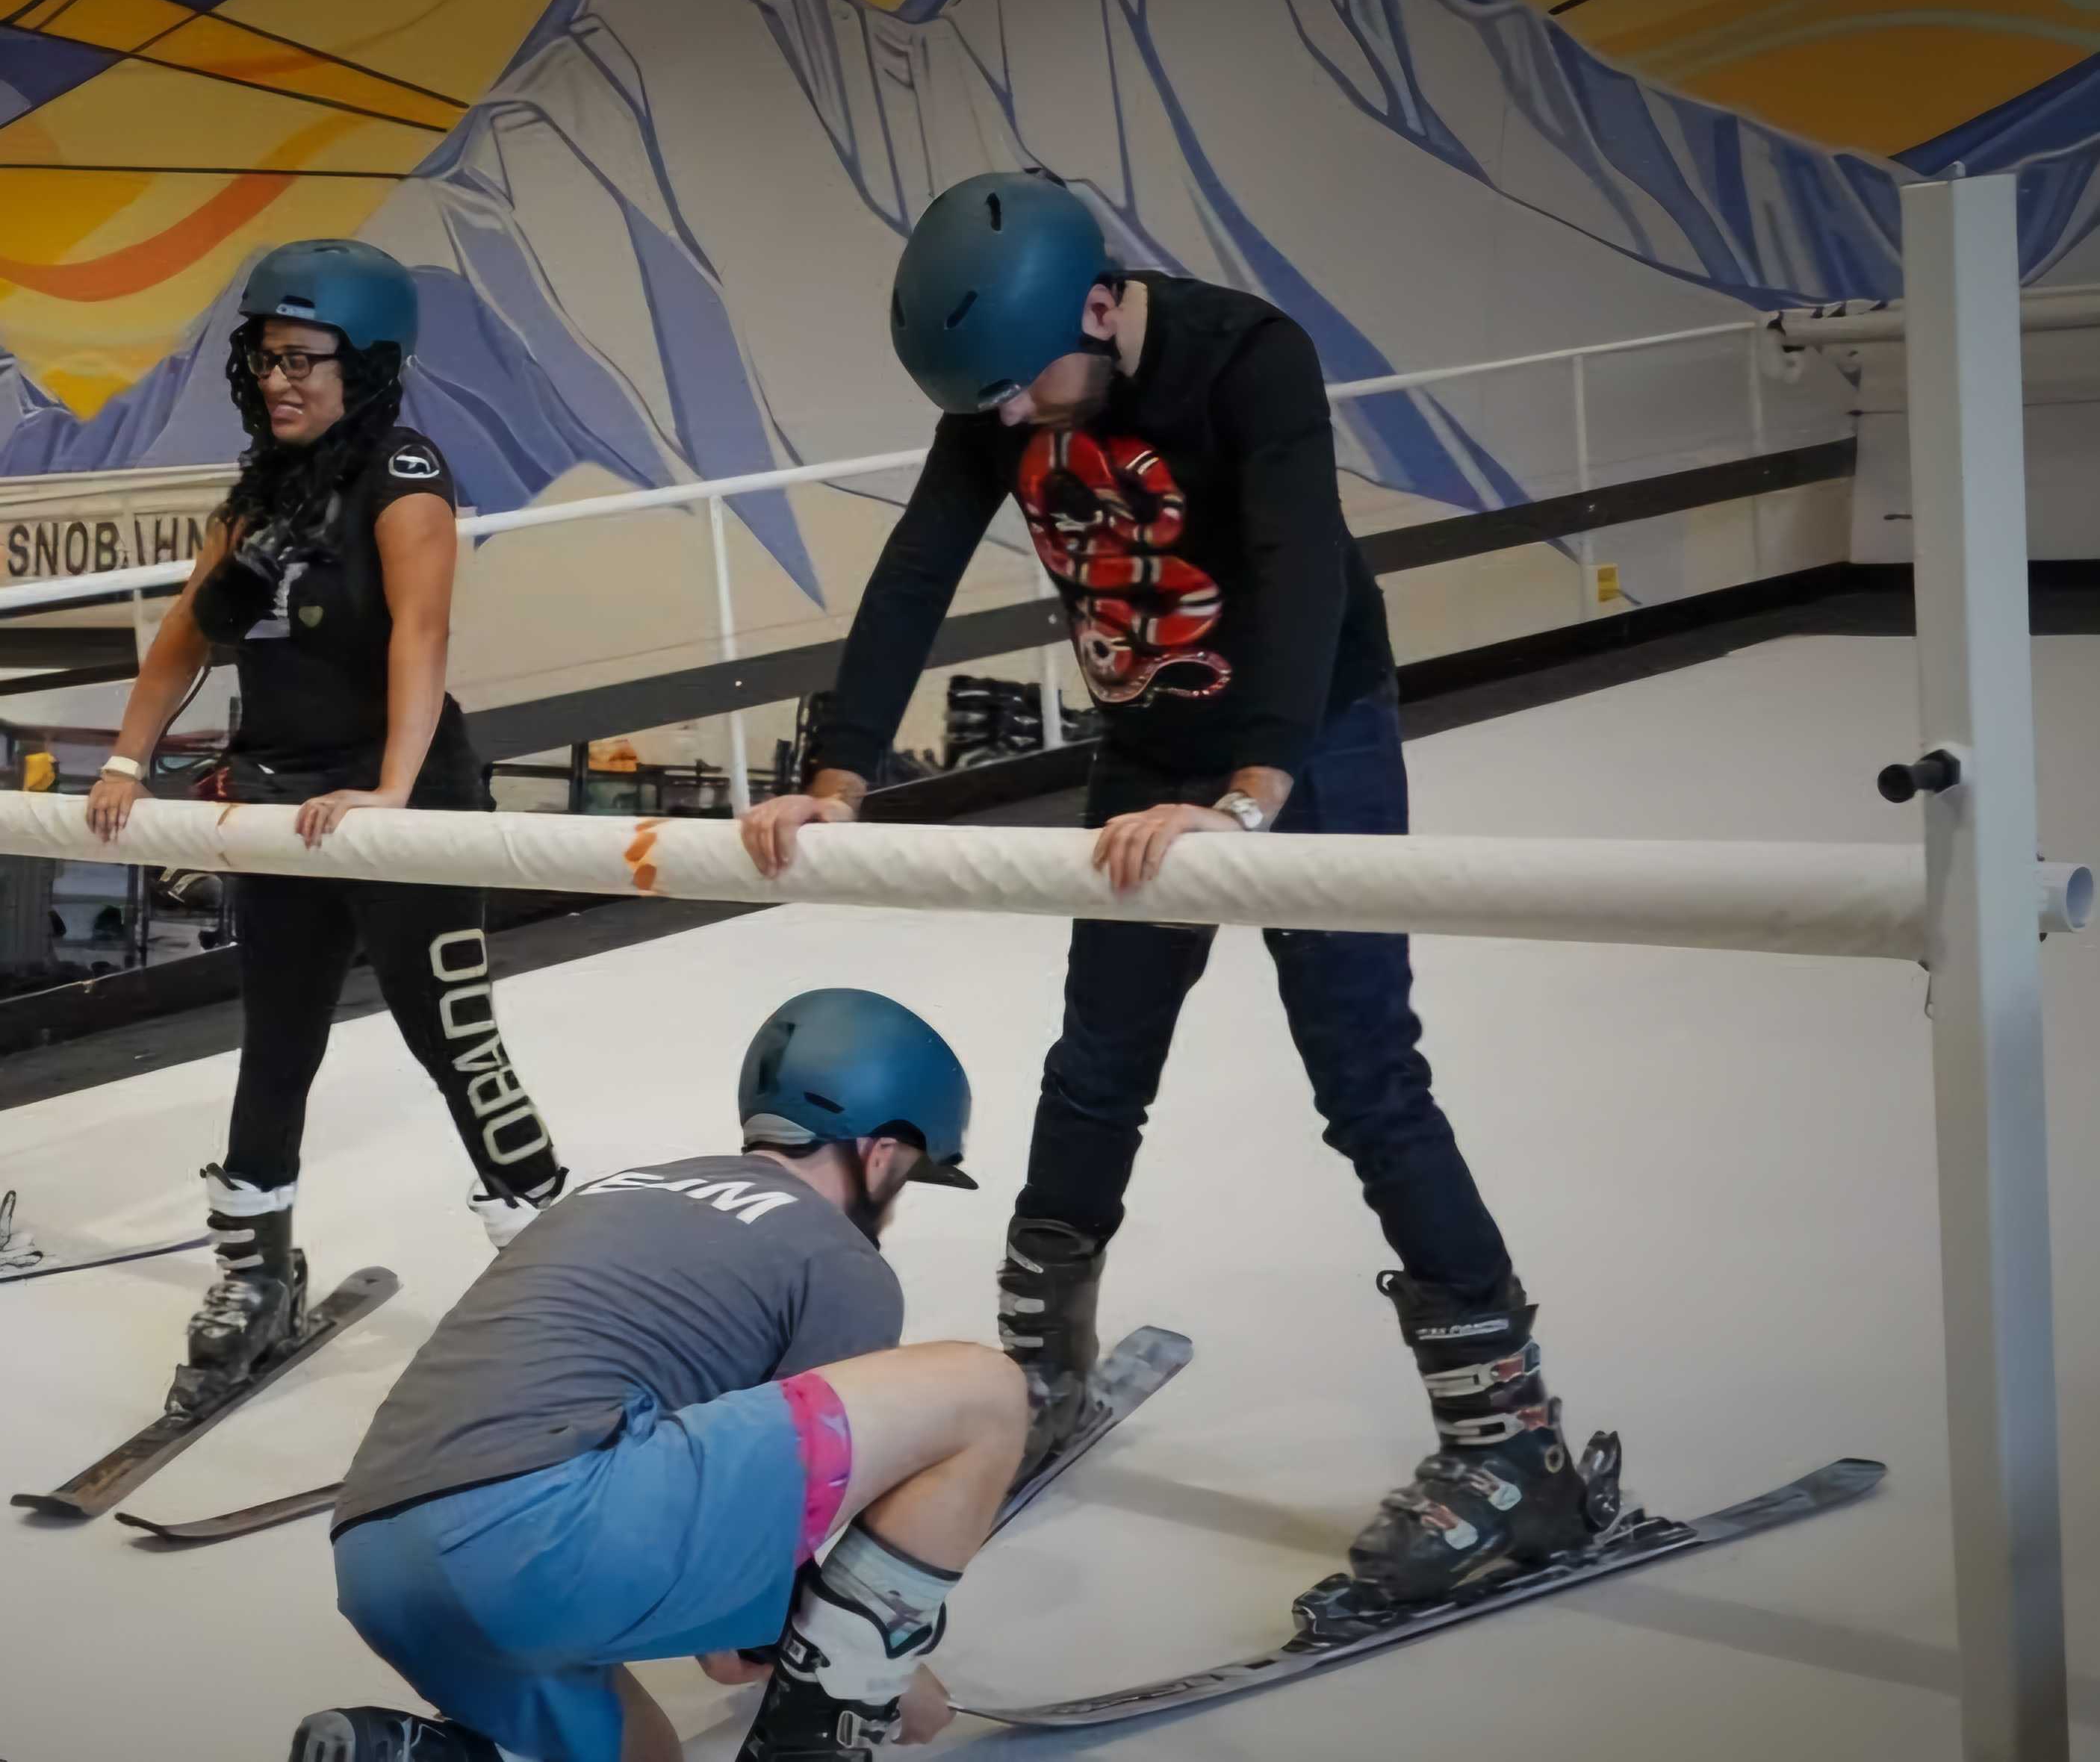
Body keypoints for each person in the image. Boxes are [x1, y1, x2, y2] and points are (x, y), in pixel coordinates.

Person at [739, 171, 1599, 1609]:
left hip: (1306, 733)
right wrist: (836, 769)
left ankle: (1512, 1447)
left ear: (1096, 301)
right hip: (1150, 741)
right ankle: (1035, 1369)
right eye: (988, 406)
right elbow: (914, 571)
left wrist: (1253, 787)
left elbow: (1298, 560)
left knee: (1364, 1077)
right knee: (1095, 1063)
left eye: (1024, 391)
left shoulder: (1247, 358)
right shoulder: (1005, 387)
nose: (1010, 425)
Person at [292, 989, 1026, 1762]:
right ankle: (813, 1747)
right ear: (880, 1151)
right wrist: (883, 1672)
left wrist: (745, 1632)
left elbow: (737, 1577)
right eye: (907, 1172)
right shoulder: (836, 1258)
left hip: (377, 1558)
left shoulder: (619, 1194)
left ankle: (425, 1754)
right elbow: (812, 1521)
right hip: (542, 1531)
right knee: (985, 1392)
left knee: (646, 1752)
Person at [83, 240, 563, 1415]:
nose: (280, 379)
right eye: (265, 358)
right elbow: (192, 634)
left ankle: (555, 1272)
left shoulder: (404, 478)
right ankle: (254, 1273)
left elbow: (420, 639)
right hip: (279, 803)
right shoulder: (261, 494)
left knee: (452, 1037)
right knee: (278, 1039)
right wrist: (125, 760)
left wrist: (394, 796)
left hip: (402, 799)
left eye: (306, 359)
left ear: (371, 368)